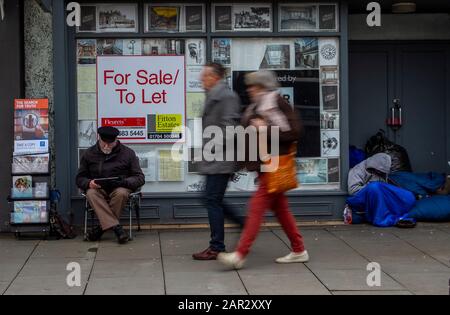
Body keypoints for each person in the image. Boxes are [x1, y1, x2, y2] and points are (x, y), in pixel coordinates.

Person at [218, 70, 308, 270]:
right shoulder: (254, 107)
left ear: (264, 87)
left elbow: (295, 131)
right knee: (281, 210)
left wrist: (264, 129)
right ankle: (299, 249)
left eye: (255, 86)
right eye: (249, 86)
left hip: (274, 166)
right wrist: (236, 165)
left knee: (256, 208)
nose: (250, 90)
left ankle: (240, 254)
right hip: (264, 168)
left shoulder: (275, 102)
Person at [192, 63, 245, 261]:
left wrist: (212, 148)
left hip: (221, 158)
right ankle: (243, 224)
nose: (200, 79)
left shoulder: (227, 96)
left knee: (211, 199)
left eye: (204, 75)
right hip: (215, 158)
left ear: (214, 77)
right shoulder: (214, 95)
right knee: (212, 199)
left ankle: (216, 247)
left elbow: (230, 128)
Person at [76, 126, 145, 244]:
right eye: (104, 143)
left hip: (120, 187)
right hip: (98, 189)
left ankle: (100, 230)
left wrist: (124, 182)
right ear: (99, 139)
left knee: (122, 193)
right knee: (90, 193)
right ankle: (117, 228)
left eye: (110, 143)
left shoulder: (128, 153)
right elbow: (79, 178)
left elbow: (139, 177)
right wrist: (89, 183)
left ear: (116, 140)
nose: (107, 146)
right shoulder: (89, 153)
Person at [346, 153, 416, 227]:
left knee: (409, 196)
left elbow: (383, 189)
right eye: (378, 171)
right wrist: (370, 186)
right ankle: (382, 219)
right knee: (375, 187)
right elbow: (352, 191)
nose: (380, 173)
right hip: (360, 199)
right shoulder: (357, 170)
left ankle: (394, 215)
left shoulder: (382, 174)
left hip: (378, 196)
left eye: (382, 172)